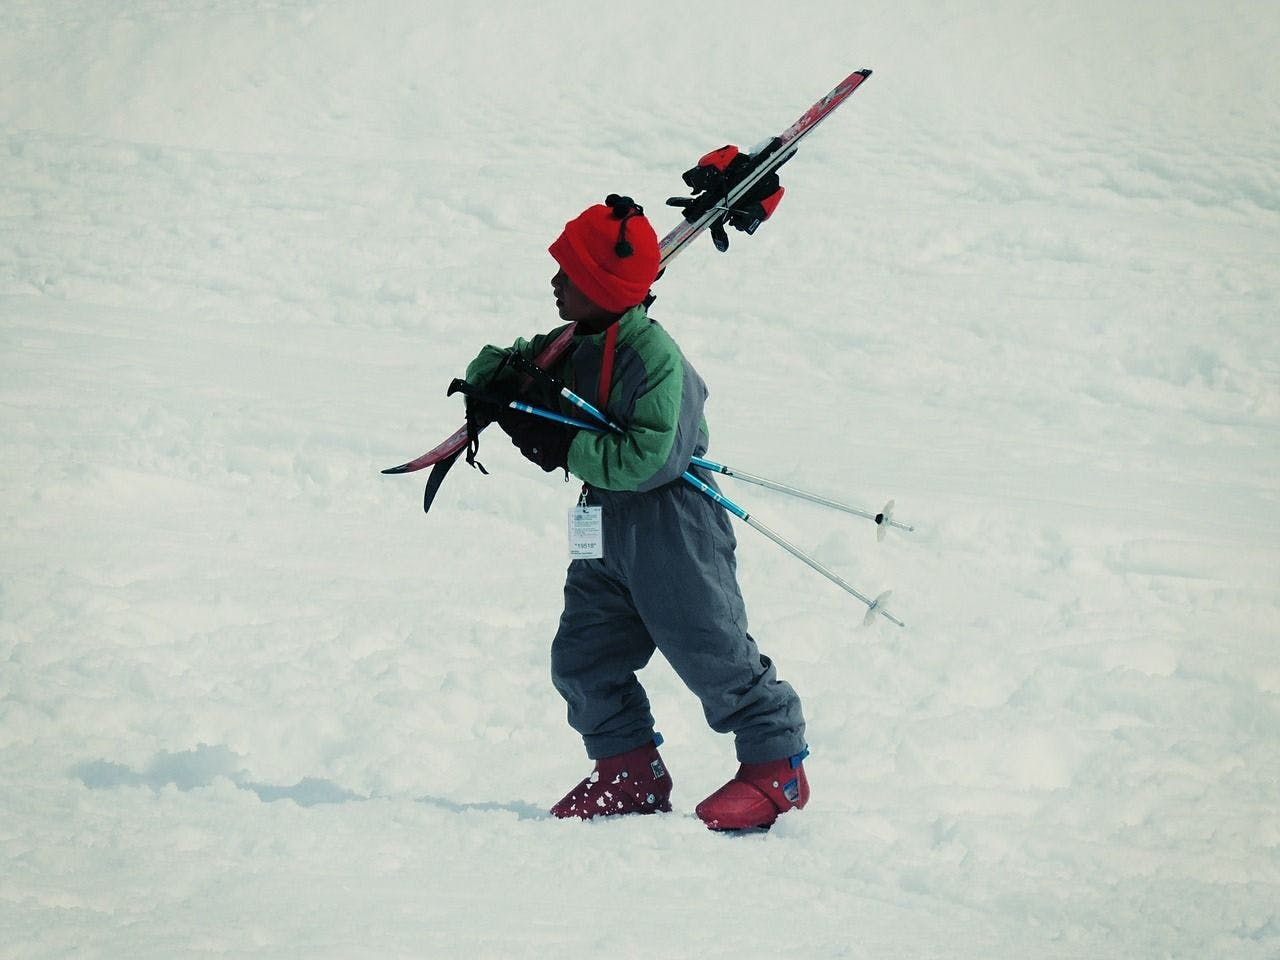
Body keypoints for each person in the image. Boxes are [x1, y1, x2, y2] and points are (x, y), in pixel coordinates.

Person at [463, 194, 809, 830]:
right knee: (582, 657)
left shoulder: (656, 360)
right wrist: (500, 381)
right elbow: (504, 358)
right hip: (603, 523)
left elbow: (651, 458)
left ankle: (775, 766)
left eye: (567, 272)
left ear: (599, 284)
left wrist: (565, 443)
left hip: (670, 525)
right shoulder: (574, 341)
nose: (553, 281)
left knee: (713, 652)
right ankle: (628, 771)